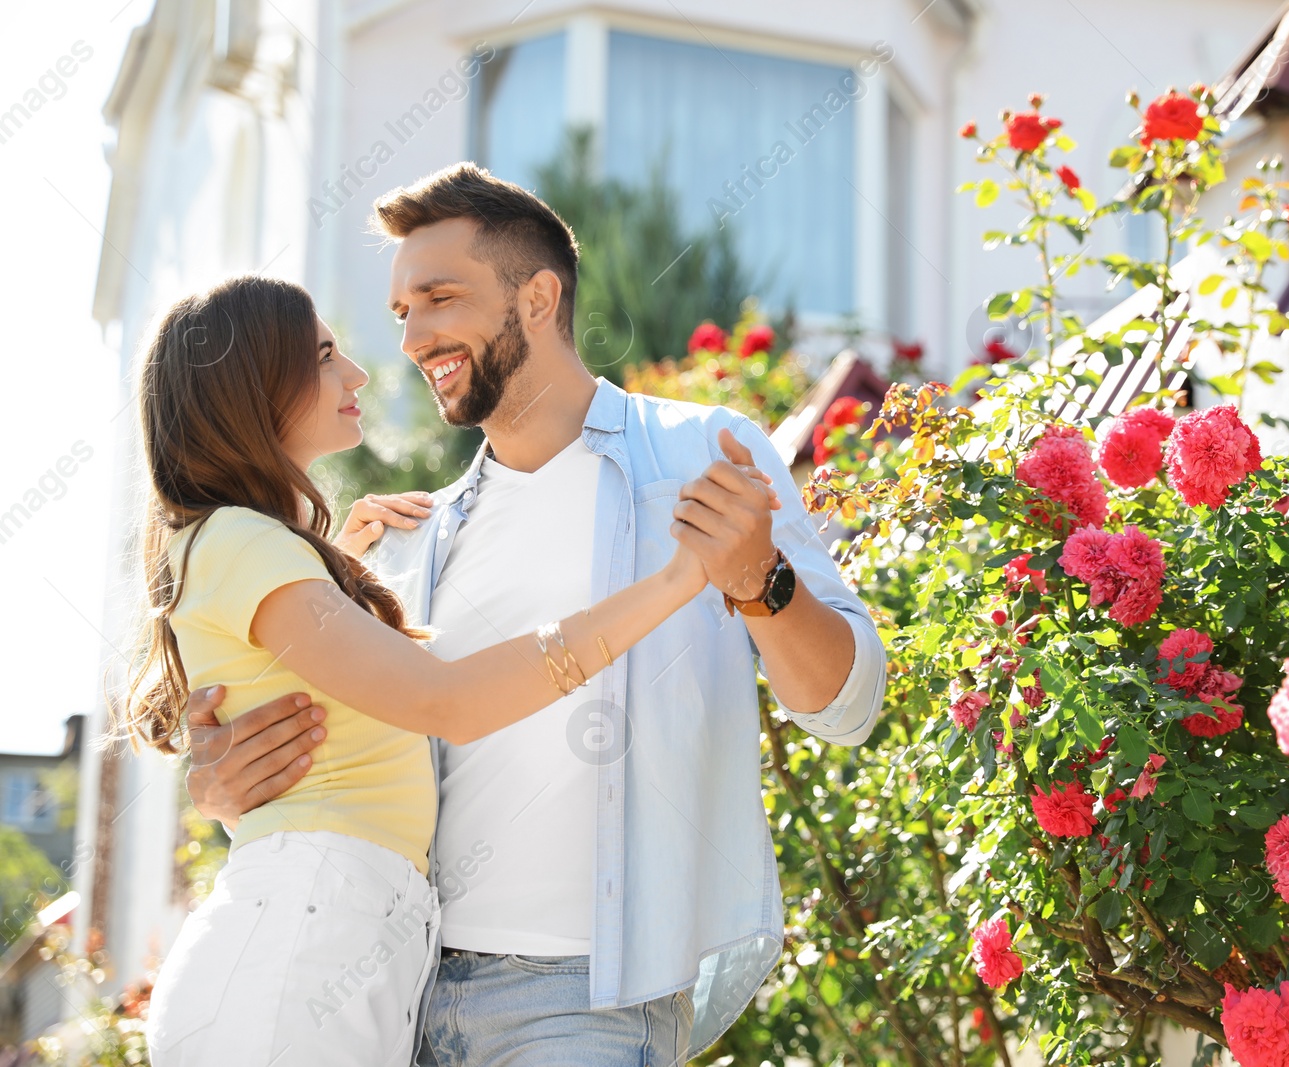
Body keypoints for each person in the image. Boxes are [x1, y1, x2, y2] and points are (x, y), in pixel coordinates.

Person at [183, 163, 887, 1066]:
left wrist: (762, 583)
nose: (414, 336)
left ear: (539, 297)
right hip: (394, 996)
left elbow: (846, 704)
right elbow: (353, 760)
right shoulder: (412, 539)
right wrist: (226, 786)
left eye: (439, 297)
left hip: (581, 1001)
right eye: (402, 312)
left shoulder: (701, 453)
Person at [130, 275, 774, 1066]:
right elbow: (449, 700)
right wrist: (675, 583)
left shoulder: (250, 549)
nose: (359, 374)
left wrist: (343, 572)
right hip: (298, 964)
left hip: (331, 954)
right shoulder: (238, 542)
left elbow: (306, 697)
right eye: (326, 355)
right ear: (254, 387)